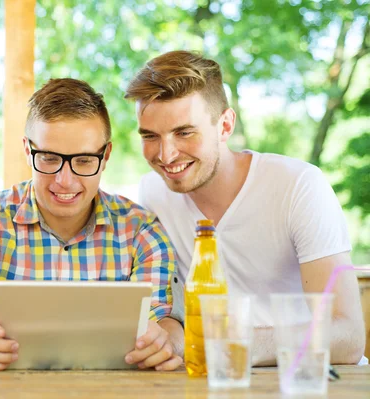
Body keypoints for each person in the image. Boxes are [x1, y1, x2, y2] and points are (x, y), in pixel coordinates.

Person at [125, 50, 366, 365]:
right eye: (151, 136)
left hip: (312, 379)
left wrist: (238, 345)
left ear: (225, 126)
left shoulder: (298, 185)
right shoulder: (153, 193)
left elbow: (348, 337)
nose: (166, 155)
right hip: (214, 382)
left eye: (184, 132)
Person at [0, 78, 184, 371]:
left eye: (84, 161)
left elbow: (160, 321)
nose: (65, 180)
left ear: (106, 156)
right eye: (48, 158)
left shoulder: (141, 230)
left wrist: (161, 343)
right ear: (27, 150)